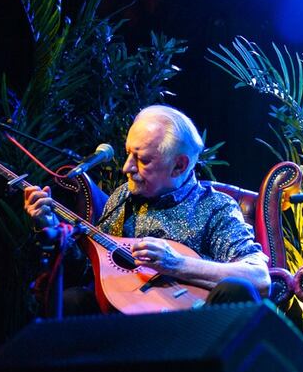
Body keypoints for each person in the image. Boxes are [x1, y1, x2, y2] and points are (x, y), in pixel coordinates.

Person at [24, 105, 271, 312]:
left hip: (192, 325)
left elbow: (259, 278)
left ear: (179, 166)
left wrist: (175, 264)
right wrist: (50, 226)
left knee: (236, 290)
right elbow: (87, 270)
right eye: (128, 154)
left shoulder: (215, 206)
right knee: (70, 301)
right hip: (123, 317)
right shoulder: (123, 197)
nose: (126, 168)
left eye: (142, 159)